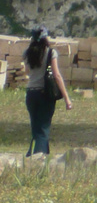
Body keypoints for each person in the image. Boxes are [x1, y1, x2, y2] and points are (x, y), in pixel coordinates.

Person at [24, 25, 71, 156]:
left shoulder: (27, 53)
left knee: (36, 128)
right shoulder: (51, 52)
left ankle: (32, 155)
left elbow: (28, 71)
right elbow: (56, 75)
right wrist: (67, 98)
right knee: (43, 129)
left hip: (31, 93)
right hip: (45, 94)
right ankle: (39, 158)